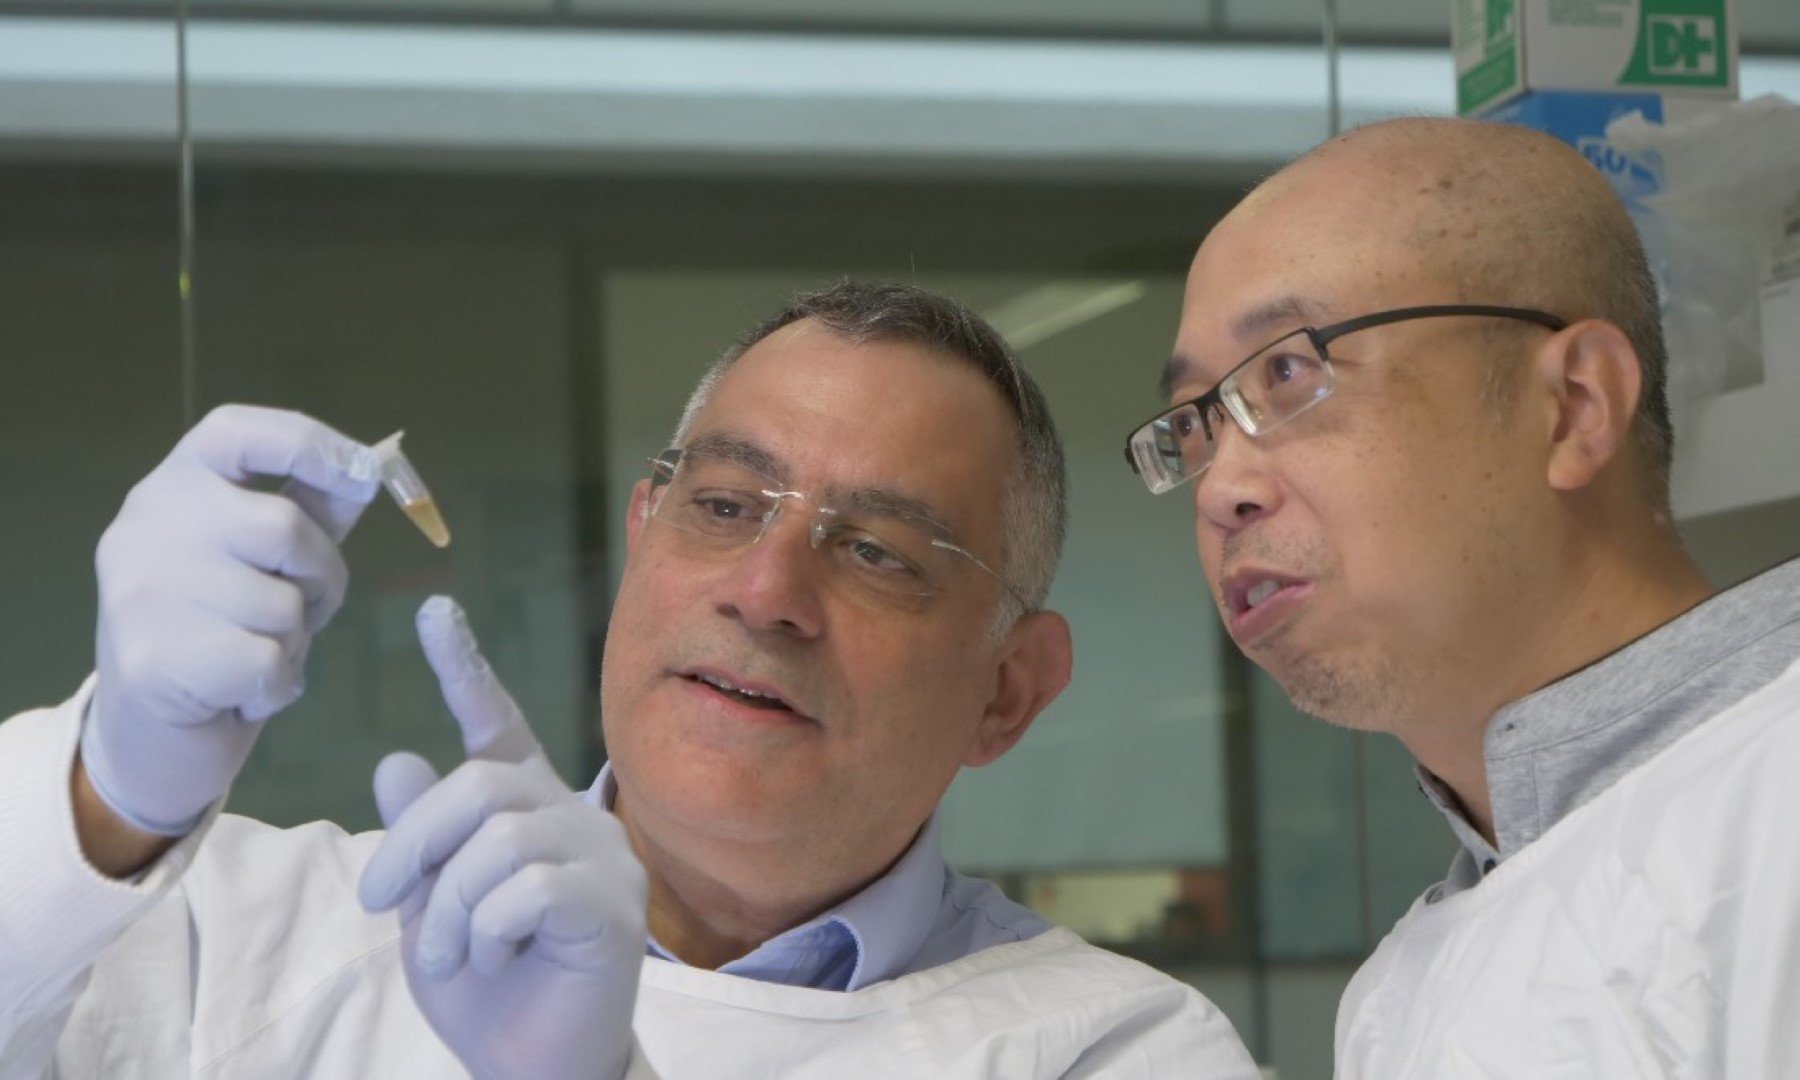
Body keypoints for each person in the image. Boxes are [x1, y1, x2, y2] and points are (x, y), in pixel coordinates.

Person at [0, 280, 1258, 1078]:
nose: (764, 591)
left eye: (875, 551)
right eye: (719, 505)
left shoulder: (1114, 1050)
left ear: (1007, 693)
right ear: (644, 532)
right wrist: (109, 792)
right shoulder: (256, 937)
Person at [1122, 116, 1800, 1076]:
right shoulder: (1401, 989)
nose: (1222, 486)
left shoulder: (1776, 803)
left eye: (1288, 371)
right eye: (1196, 422)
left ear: (1573, 405)